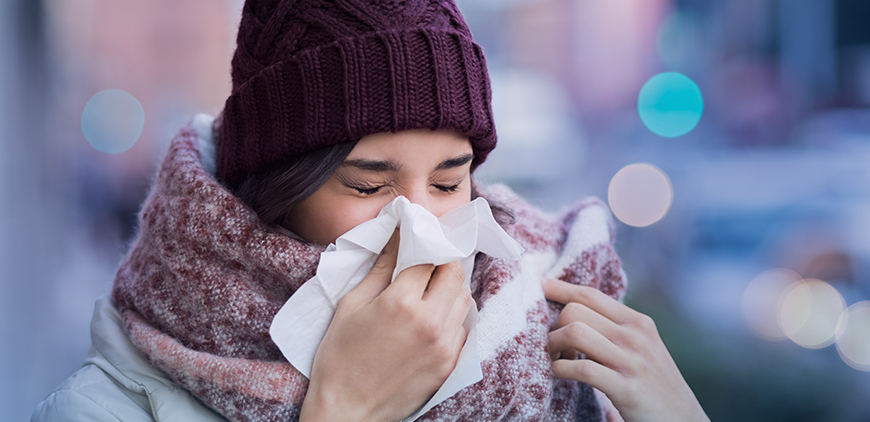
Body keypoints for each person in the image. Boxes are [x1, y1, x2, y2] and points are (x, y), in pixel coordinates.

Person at [32, 1, 709, 421]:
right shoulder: (102, 409)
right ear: (273, 192)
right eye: (368, 186)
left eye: (448, 185)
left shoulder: (552, 337)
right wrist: (343, 411)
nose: (422, 230)